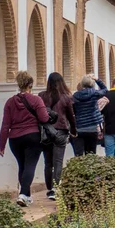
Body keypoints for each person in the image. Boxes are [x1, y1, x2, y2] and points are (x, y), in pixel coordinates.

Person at [0, 70, 50, 206]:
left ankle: (26, 196)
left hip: (14, 139)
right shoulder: (36, 100)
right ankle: (23, 194)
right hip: (33, 136)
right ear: (30, 85)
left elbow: (5, 125)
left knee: (22, 165)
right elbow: (44, 118)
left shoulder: (10, 102)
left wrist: (1, 144)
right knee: (30, 166)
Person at [39, 72, 76, 201]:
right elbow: (71, 116)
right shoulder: (66, 97)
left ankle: (49, 189)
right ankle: (55, 189)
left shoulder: (42, 96)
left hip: (46, 132)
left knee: (48, 162)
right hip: (61, 131)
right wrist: (74, 130)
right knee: (58, 161)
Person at [71, 76, 106, 155]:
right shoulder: (95, 93)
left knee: (79, 155)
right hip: (92, 127)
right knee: (91, 153)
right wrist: (97, 79)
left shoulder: (75, 96)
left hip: (80, 126)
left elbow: (73, 110)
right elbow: (105, 90)